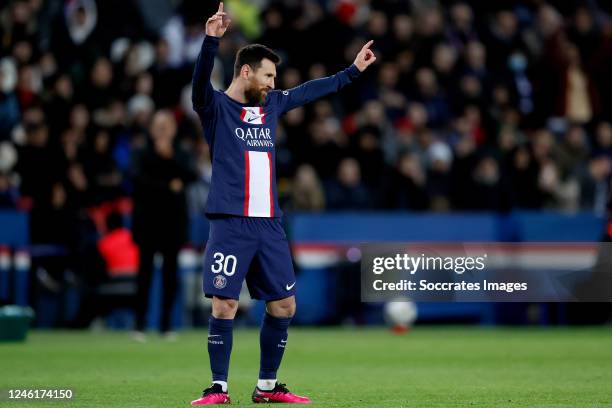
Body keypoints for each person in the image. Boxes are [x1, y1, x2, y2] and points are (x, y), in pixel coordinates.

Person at [190, 2, 376, 405]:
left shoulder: (272, 106)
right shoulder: (217, 108)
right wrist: (210, 41)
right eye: (269, 75)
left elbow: (310, 91)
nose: (274, 83)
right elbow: (199, 86)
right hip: (231, 222)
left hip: (270, 224)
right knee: (224, 304)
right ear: (246, 71)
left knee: (285, 304)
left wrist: (352, 72)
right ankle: (218, 388)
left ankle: (267, 387)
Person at [131, 110, 197, 340]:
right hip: (148, 220)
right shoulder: (141, 151)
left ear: (174, 128)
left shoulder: (182, 152)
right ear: (151, 128)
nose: (163, 129)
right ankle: (139, 324)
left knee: (171, 274)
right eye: (158, 125)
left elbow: (191, 175)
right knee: (144, 273)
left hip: (173, 221)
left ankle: (166, 324)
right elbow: (137, 180)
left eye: (167, 124)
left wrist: (169, 158)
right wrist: (169, 185)